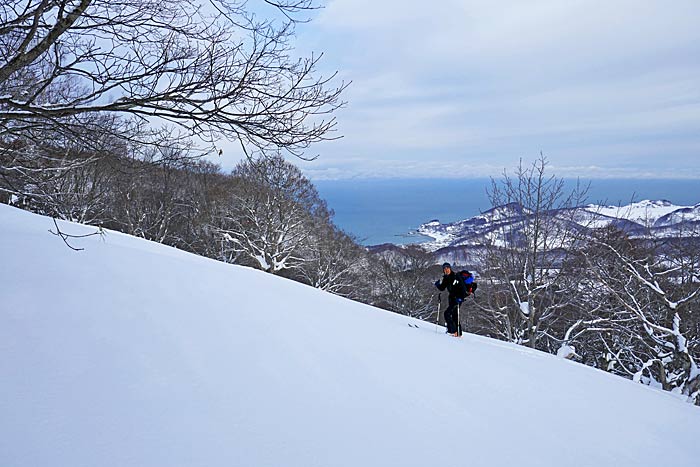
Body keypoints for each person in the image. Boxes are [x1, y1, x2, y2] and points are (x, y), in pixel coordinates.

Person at [434, 262, 465, 336]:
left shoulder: (456, 276)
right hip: (451, 298)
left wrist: (461, 298)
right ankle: (458, 333)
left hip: (457, 298)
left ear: (450, 268)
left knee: (447, 313)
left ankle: (452, 331)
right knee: (454, 315)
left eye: (447, 268)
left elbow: (463, 288)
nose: (446, 270)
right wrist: (438, 285)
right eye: (444, 269)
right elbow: (442, 288)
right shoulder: (446, 278)